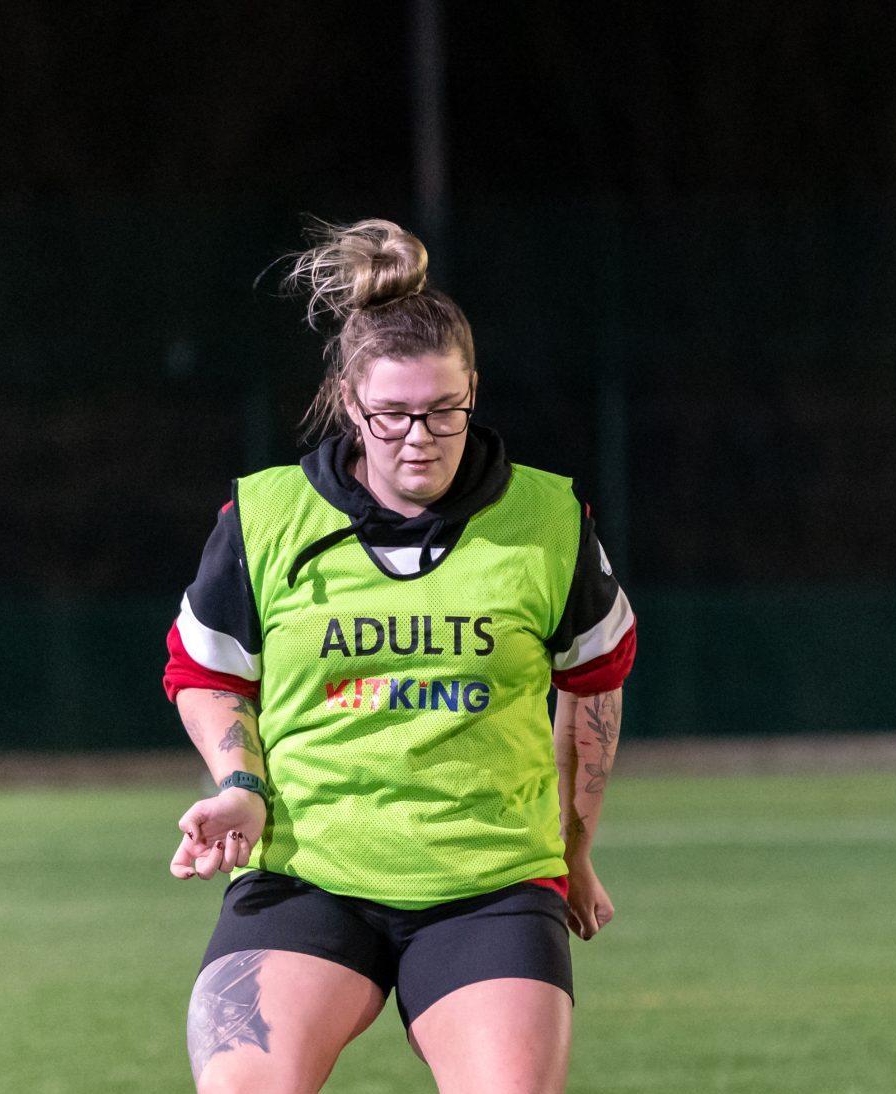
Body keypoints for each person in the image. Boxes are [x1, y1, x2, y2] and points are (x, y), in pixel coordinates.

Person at [158, 218, 637, 1094]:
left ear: (473, 394)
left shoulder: (547, 522)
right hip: (307, 872)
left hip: (487, 881)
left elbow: (593, 686)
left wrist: (574, 848)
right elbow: (208, 671)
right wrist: (240, 784)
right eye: (393, 414)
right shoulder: (266, 520)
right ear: (350, 402)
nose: (420, 435)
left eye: (444, 409)